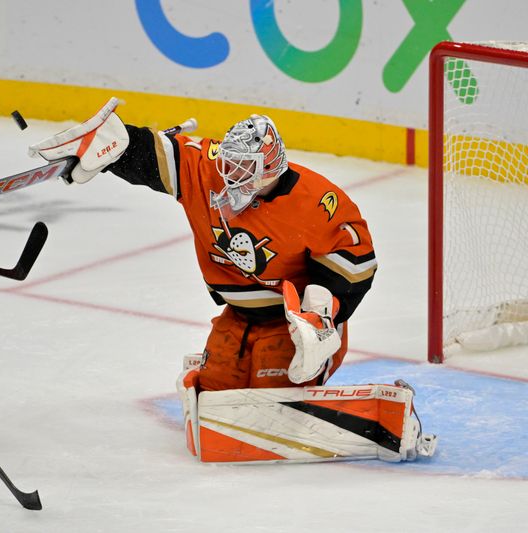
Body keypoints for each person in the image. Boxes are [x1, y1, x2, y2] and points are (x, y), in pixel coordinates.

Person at [28, 98, 436, 463]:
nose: (230, 175)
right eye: (229, 163)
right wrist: (117, 145)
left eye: (244, 167)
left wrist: (322, 318)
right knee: (216, 396)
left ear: (271, 165)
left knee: (267, 400)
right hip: (237, 316)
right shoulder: (208, 171)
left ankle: (330, 376)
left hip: (287, 324)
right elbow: (161, 157)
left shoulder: (316, 202)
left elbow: (356, 265)